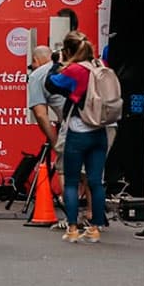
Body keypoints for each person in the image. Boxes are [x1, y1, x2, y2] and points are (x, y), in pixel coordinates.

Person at [46, 31, 107, 243]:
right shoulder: (101, 65)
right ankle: (96, 227)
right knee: (96, 181)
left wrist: (57, 63)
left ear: (68, 51)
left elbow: (51, 84)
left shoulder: (75, 70)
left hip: (78, 131)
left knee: (71, 182)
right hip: (100, 130)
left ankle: (72, 228)